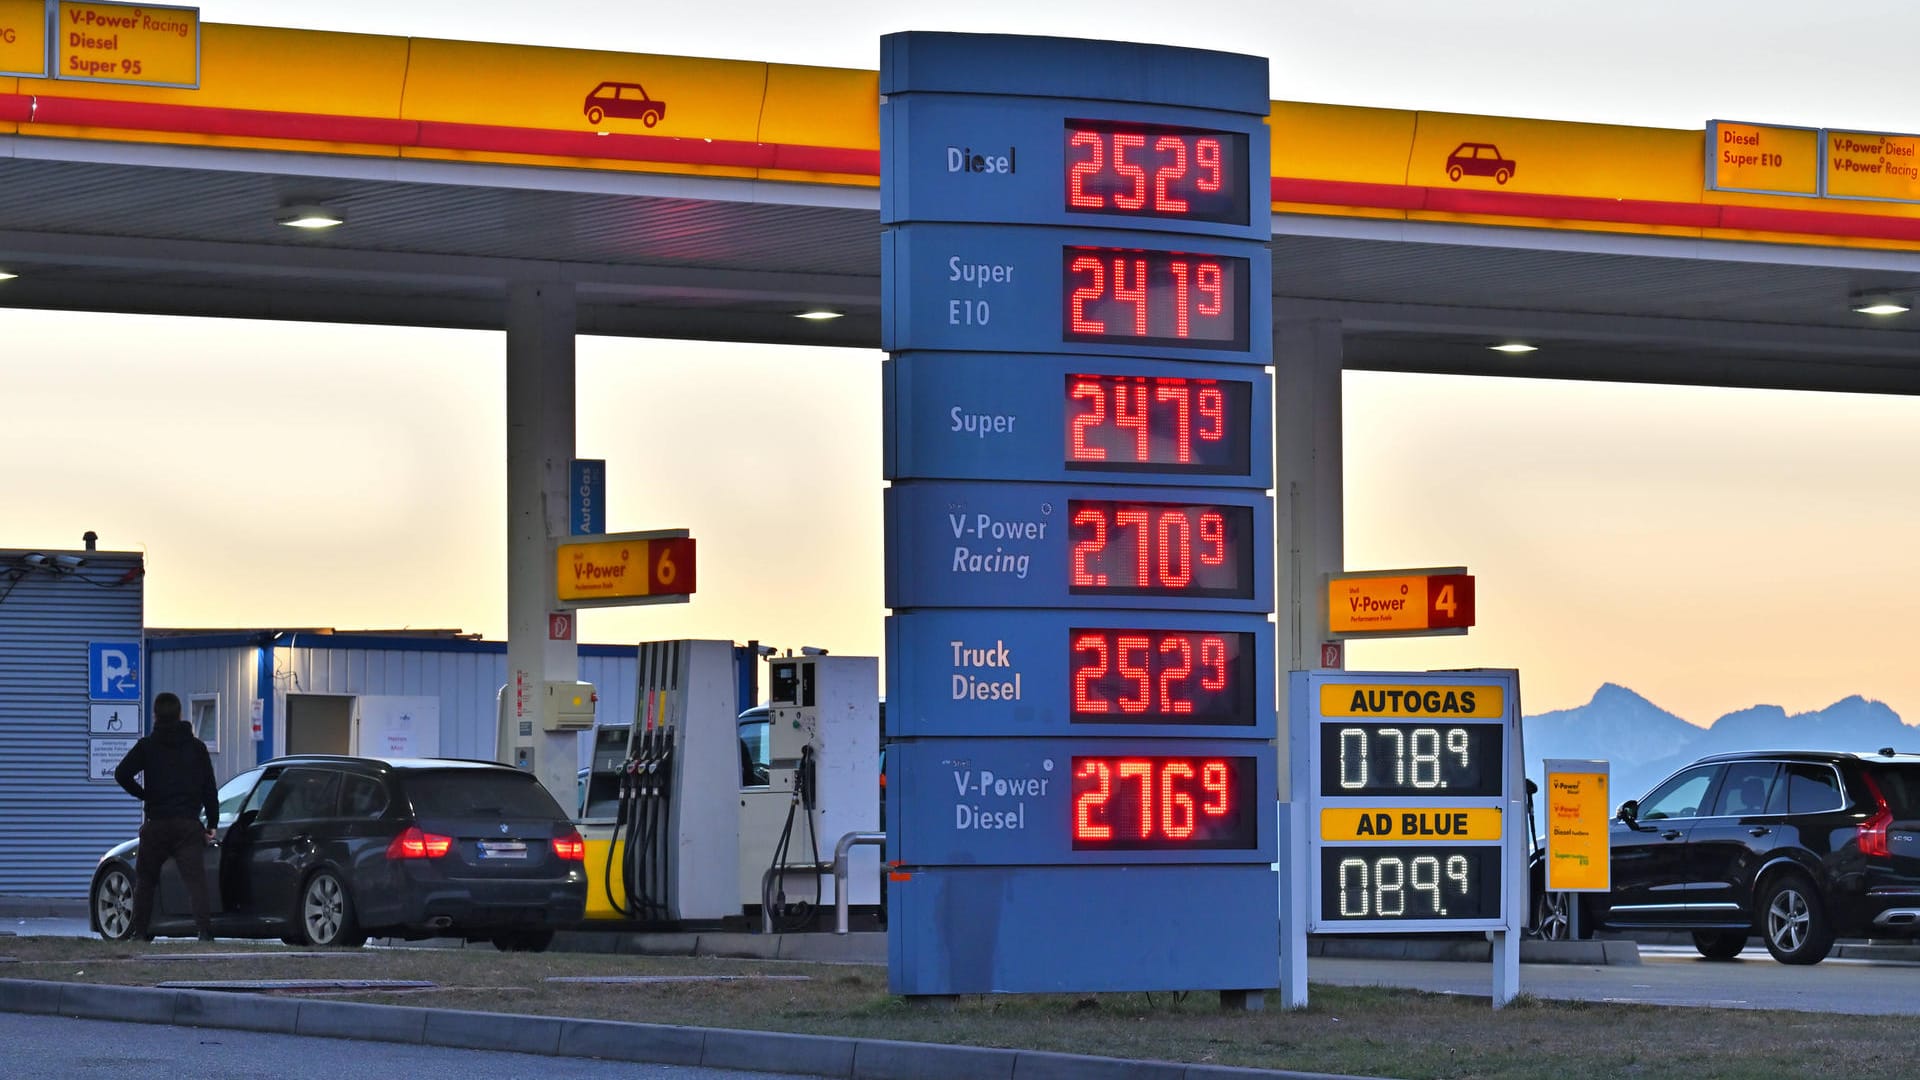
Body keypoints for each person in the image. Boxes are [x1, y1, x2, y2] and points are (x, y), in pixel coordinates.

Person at [113, 692, 219, 942]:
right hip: (187, 825)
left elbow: (121, 773)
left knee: (146, 879)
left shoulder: (147, 746)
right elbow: (209, 788)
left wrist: (144, 795)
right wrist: (212, 823)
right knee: (196, 881)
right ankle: (204, 932)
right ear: (180, 715)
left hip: (157, 824)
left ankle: (141, 932)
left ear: (155, 716)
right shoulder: (197, 748)